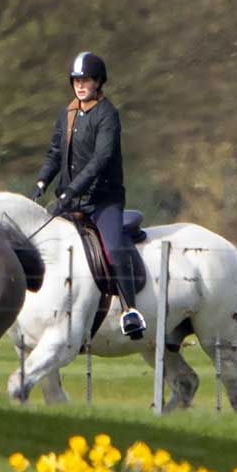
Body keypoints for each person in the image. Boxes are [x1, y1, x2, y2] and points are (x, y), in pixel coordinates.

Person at [31, 51, 147, 339]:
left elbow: (101, 159)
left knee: (114, 248)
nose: (81, 85)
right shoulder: (68, 113)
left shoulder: (108, 114)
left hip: (103, 200)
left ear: (98, 82)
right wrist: (43, 181)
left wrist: (72, 190)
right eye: (77, 80)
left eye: (87, 80)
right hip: (70, 200)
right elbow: (56, 152)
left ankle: (130, 310)